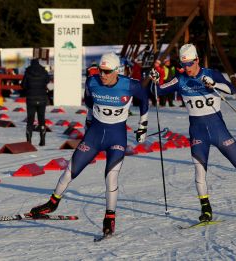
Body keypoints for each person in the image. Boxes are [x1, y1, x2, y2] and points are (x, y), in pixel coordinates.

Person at [149, 43, 236, 222]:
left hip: (218, 130)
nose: (187, 68)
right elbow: (158, 89)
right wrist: (154, 78)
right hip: (198, 132)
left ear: (197, 60)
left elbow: (231, 90)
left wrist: (214, 84)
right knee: (199, 171)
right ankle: (206, 209)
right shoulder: (180, 79)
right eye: (184, 65)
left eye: (190, 64)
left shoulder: (211, 73)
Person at [30, 52, 149, 237]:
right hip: (94, 135)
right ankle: (52, 203)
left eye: (107, 71)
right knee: (71, 169)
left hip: (116, 137)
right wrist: (89, 118)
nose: (102, 74)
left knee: (111, 177)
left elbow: (145, 100)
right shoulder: (92, 82)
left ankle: (110, 217)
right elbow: (89, 102)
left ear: (117, 70)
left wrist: (143, 126)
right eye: (101, 70)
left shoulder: (130, 85)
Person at [21, 58, 50, 146]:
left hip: (30, 98)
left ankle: (29, 141)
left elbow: (23, 85)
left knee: (30, 120)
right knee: (41, 119)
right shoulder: (43, 71)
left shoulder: (28, 72)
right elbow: (47, 81)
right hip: (42, 98)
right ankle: (43, 140)